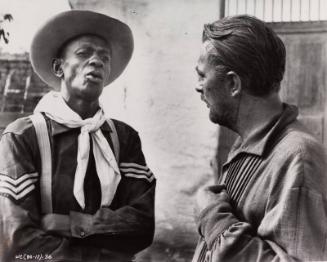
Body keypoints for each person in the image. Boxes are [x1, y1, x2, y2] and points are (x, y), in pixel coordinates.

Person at [0, 10, 155, 262]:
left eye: (104, 57)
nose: (97, 61)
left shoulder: (123, 138)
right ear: (59, 67)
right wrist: (103, 245)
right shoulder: (23, 136)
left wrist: (68, 224)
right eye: (84, 53)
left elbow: (143, 226)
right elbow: (17, 244)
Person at [193, 15, 327, 261]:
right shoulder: (250, 142)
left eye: (202, 75)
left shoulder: (299, 159)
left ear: (233, 83)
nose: (198, 86)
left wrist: (214, 218)